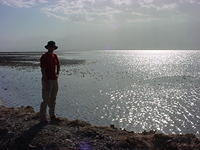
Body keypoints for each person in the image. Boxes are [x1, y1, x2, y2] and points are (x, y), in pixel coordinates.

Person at [39, 41, 60, 123]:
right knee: (45, 99)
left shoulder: (55, 56)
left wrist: (57, 74)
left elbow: (58, 65)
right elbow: (42, 69)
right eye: (50, 47)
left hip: (54, 80)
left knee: (53, 99)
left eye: (53, 47)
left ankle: (52, 116)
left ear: (54, 48)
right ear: (48, 48)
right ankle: (42, 118)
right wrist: (46, 79)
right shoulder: (44, 56)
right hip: (47, 80)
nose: (51, 48)